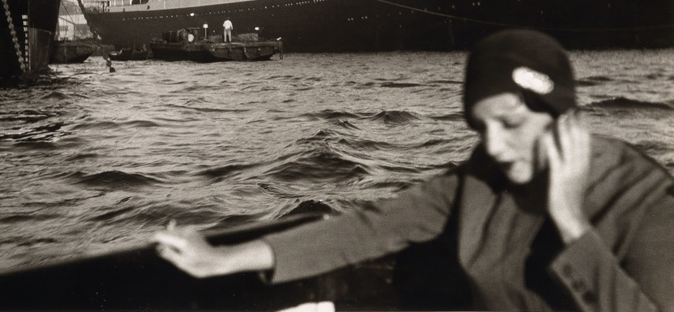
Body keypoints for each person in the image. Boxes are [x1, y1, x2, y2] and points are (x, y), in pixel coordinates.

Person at [154, 29, 674, 311]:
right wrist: (221, 259)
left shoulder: (645, 203)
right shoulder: (483, 179)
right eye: (480, 127)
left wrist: (570, 221)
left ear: (565, 121)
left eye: (511, 124)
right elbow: (372, 226)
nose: (493, 145)